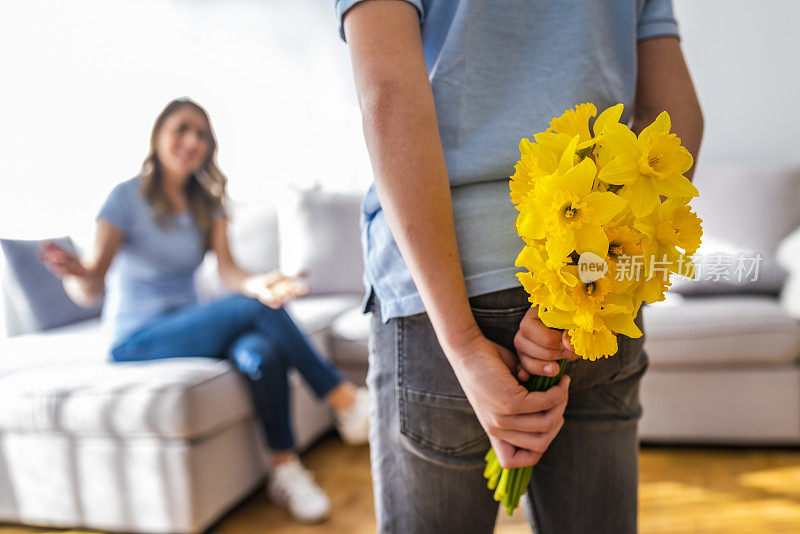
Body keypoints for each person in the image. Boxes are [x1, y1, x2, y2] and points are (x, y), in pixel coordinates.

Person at [337, 1, 703, 532]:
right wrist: (579, 290)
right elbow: (679, 119)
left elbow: (389, 98)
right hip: (596, 293)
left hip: (444, 291)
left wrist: (463, 345)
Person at [38, 98, 370, 524]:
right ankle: (344, 399)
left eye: (202, 134)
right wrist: (75, 272)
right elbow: (91, 283)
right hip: (137, 338)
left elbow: (231, 273)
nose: (192, 140)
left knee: (260, 354)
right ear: (158, 135)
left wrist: (264, 283)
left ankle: (285, 471)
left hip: (189, 327)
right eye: (182, 129)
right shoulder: (125, 198)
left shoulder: (206, 204)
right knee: (253, 311)